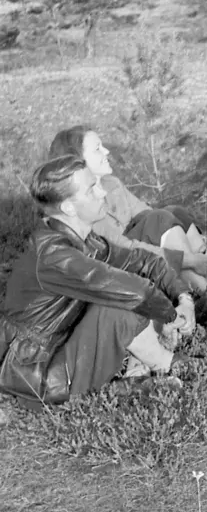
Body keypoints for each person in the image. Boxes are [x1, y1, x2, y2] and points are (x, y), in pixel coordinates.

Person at [0, 156, 194, 410]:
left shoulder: (83, 241)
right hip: (38, 376)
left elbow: (145, 261)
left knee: (124, 294)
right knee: (121, 305)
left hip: (59, 349)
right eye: (92, 189)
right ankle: (167, 366)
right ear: (69, 208)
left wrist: (184, 297)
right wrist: (172, 318)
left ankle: (141, 374)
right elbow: (137, 292)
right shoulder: (55, 256)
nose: (103, 192)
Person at [47, 126, 207, 294]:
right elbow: (126, 249)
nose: (106, 152)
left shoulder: (112, 184)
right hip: (123, 264)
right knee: (161, 219)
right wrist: (189, 259)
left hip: (143, 248)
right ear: (78, 161)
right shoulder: (84, 207)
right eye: (97, 149)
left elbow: (144, 212)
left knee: (175, 212)